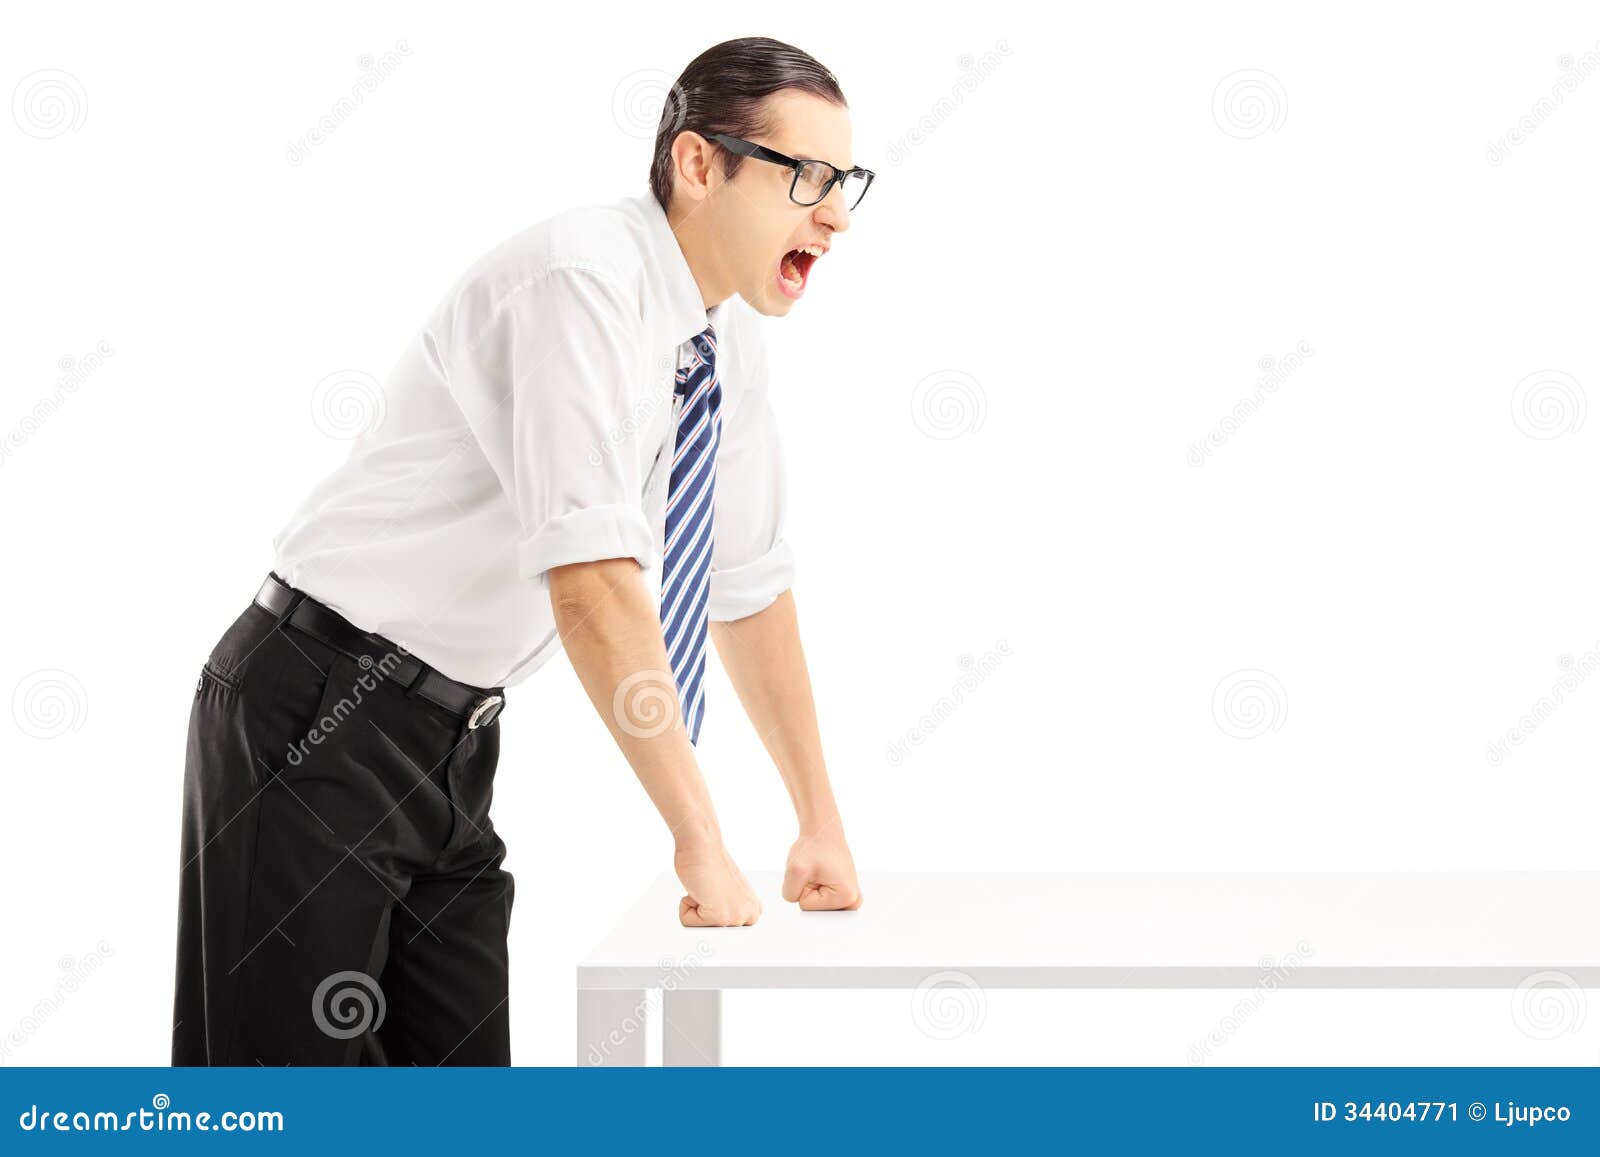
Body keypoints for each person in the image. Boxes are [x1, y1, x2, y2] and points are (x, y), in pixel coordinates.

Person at [172, 36, 869, 1066]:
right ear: (695, 163)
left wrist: (817, 820)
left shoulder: (721, 341)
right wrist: (699, 836)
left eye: (846, 180)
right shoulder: (580, 281)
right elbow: (592, 580)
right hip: (319, 712)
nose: (836, 214)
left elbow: (747, 584)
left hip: (452, 745)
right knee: (288, 1109)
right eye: (805, 176)